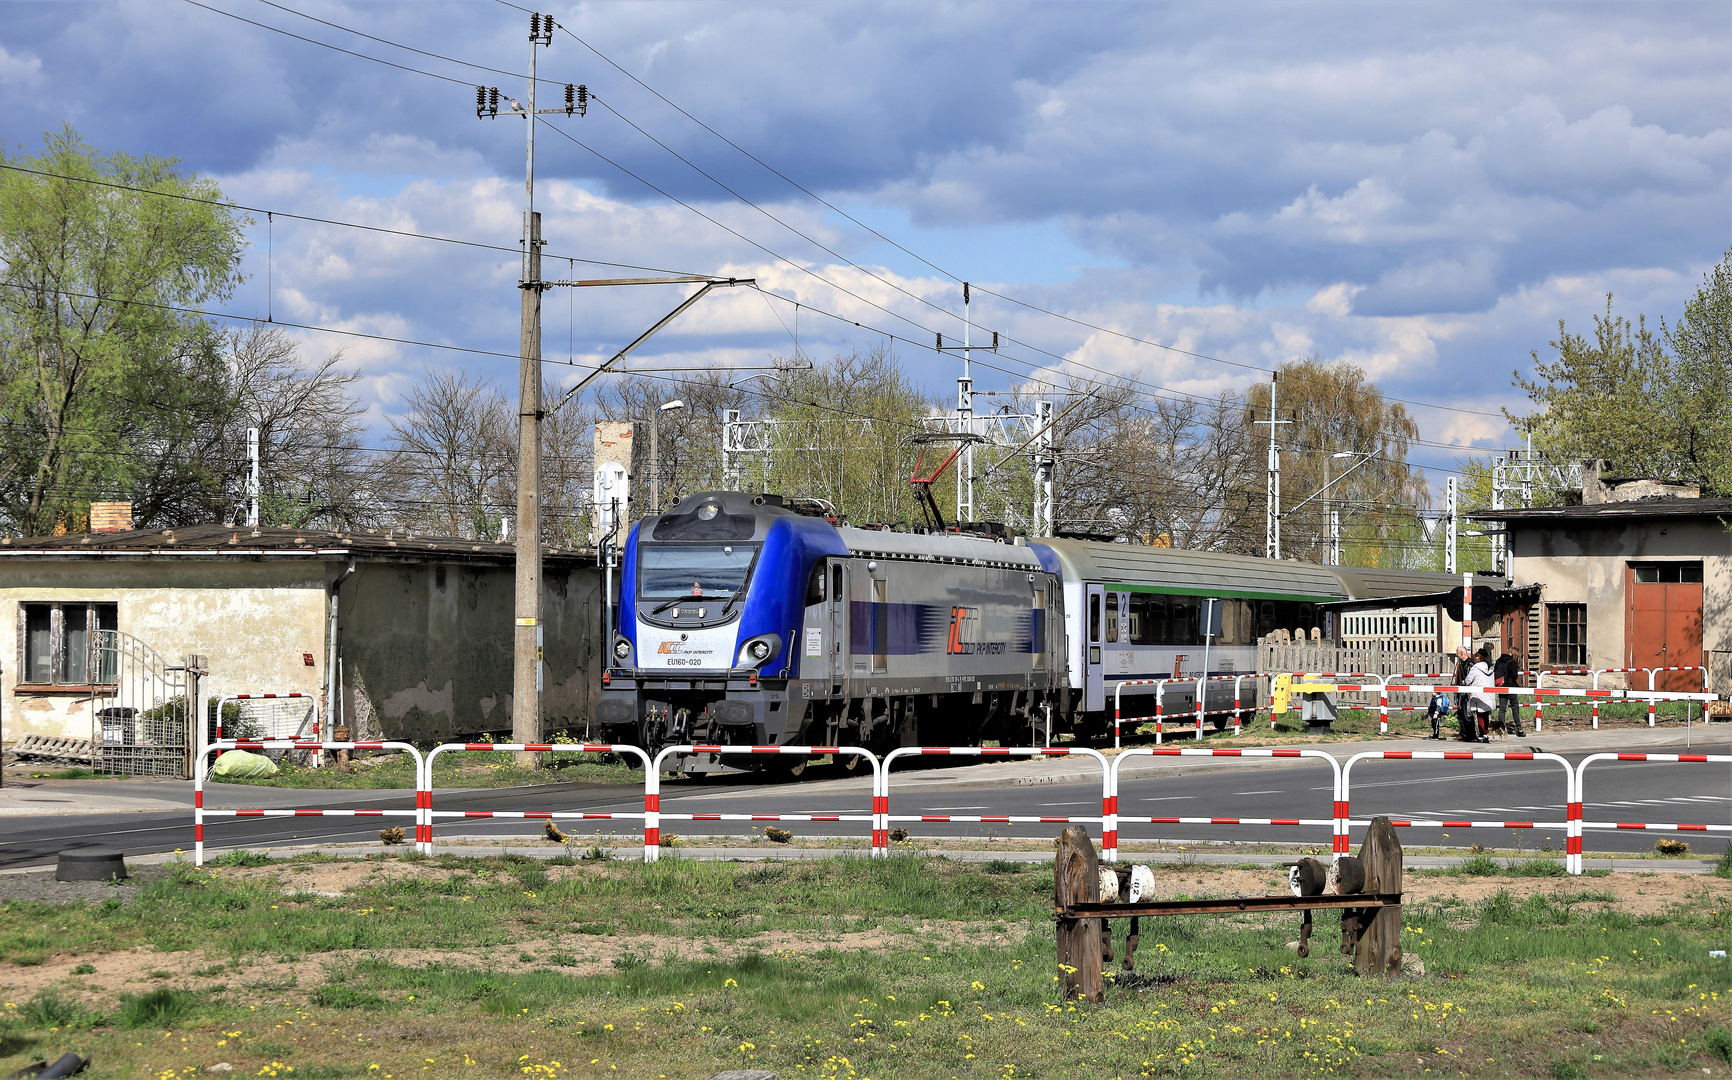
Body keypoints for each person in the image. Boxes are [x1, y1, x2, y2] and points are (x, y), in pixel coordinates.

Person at [1462, 645, 1496, 743]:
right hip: (1489, 694)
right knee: (1486, 715)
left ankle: (1481, 735)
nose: (1474, 658)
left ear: (1479, 657)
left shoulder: (1475, 668)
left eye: (1476, 656)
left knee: (1480, 716)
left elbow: (1468, 680)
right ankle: (1485, 734)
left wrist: (1463, 682)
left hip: (1478, 694)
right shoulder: (1490, 667)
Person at [1492, 649, 1524, 737]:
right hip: (1511, 687)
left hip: (1501, 687)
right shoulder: (1513, 663)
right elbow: (1514, 676)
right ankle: (1519, 728)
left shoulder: (1499, 660)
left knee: (1502, 709)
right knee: (1515, 708)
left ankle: (1501, 728)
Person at [1452, 646, 1475, 742]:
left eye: (1457, 653)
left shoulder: (1469, 664)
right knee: (1461, 713)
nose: (1456, 655)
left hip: (1467, 693)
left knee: (1467, 714)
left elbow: (1469, 679)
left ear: (1462, 653)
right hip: (1460, 691)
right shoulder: (1460, 663)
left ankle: (1471, 735)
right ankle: (1463, 733)